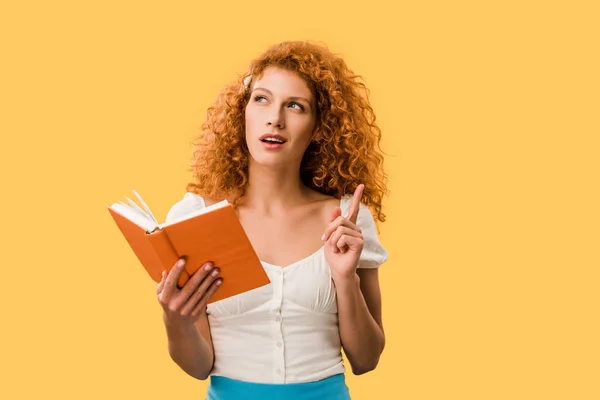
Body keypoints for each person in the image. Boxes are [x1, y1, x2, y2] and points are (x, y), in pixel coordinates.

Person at [155, 40, 389, 400]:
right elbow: (198, 366)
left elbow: (367, 359)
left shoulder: (346, 218)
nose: (274, 118)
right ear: (242, 112)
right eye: (261, 99)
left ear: (317, 129)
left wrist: (345, 279)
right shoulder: (196, 216)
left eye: (295, 106)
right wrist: (176, 320)